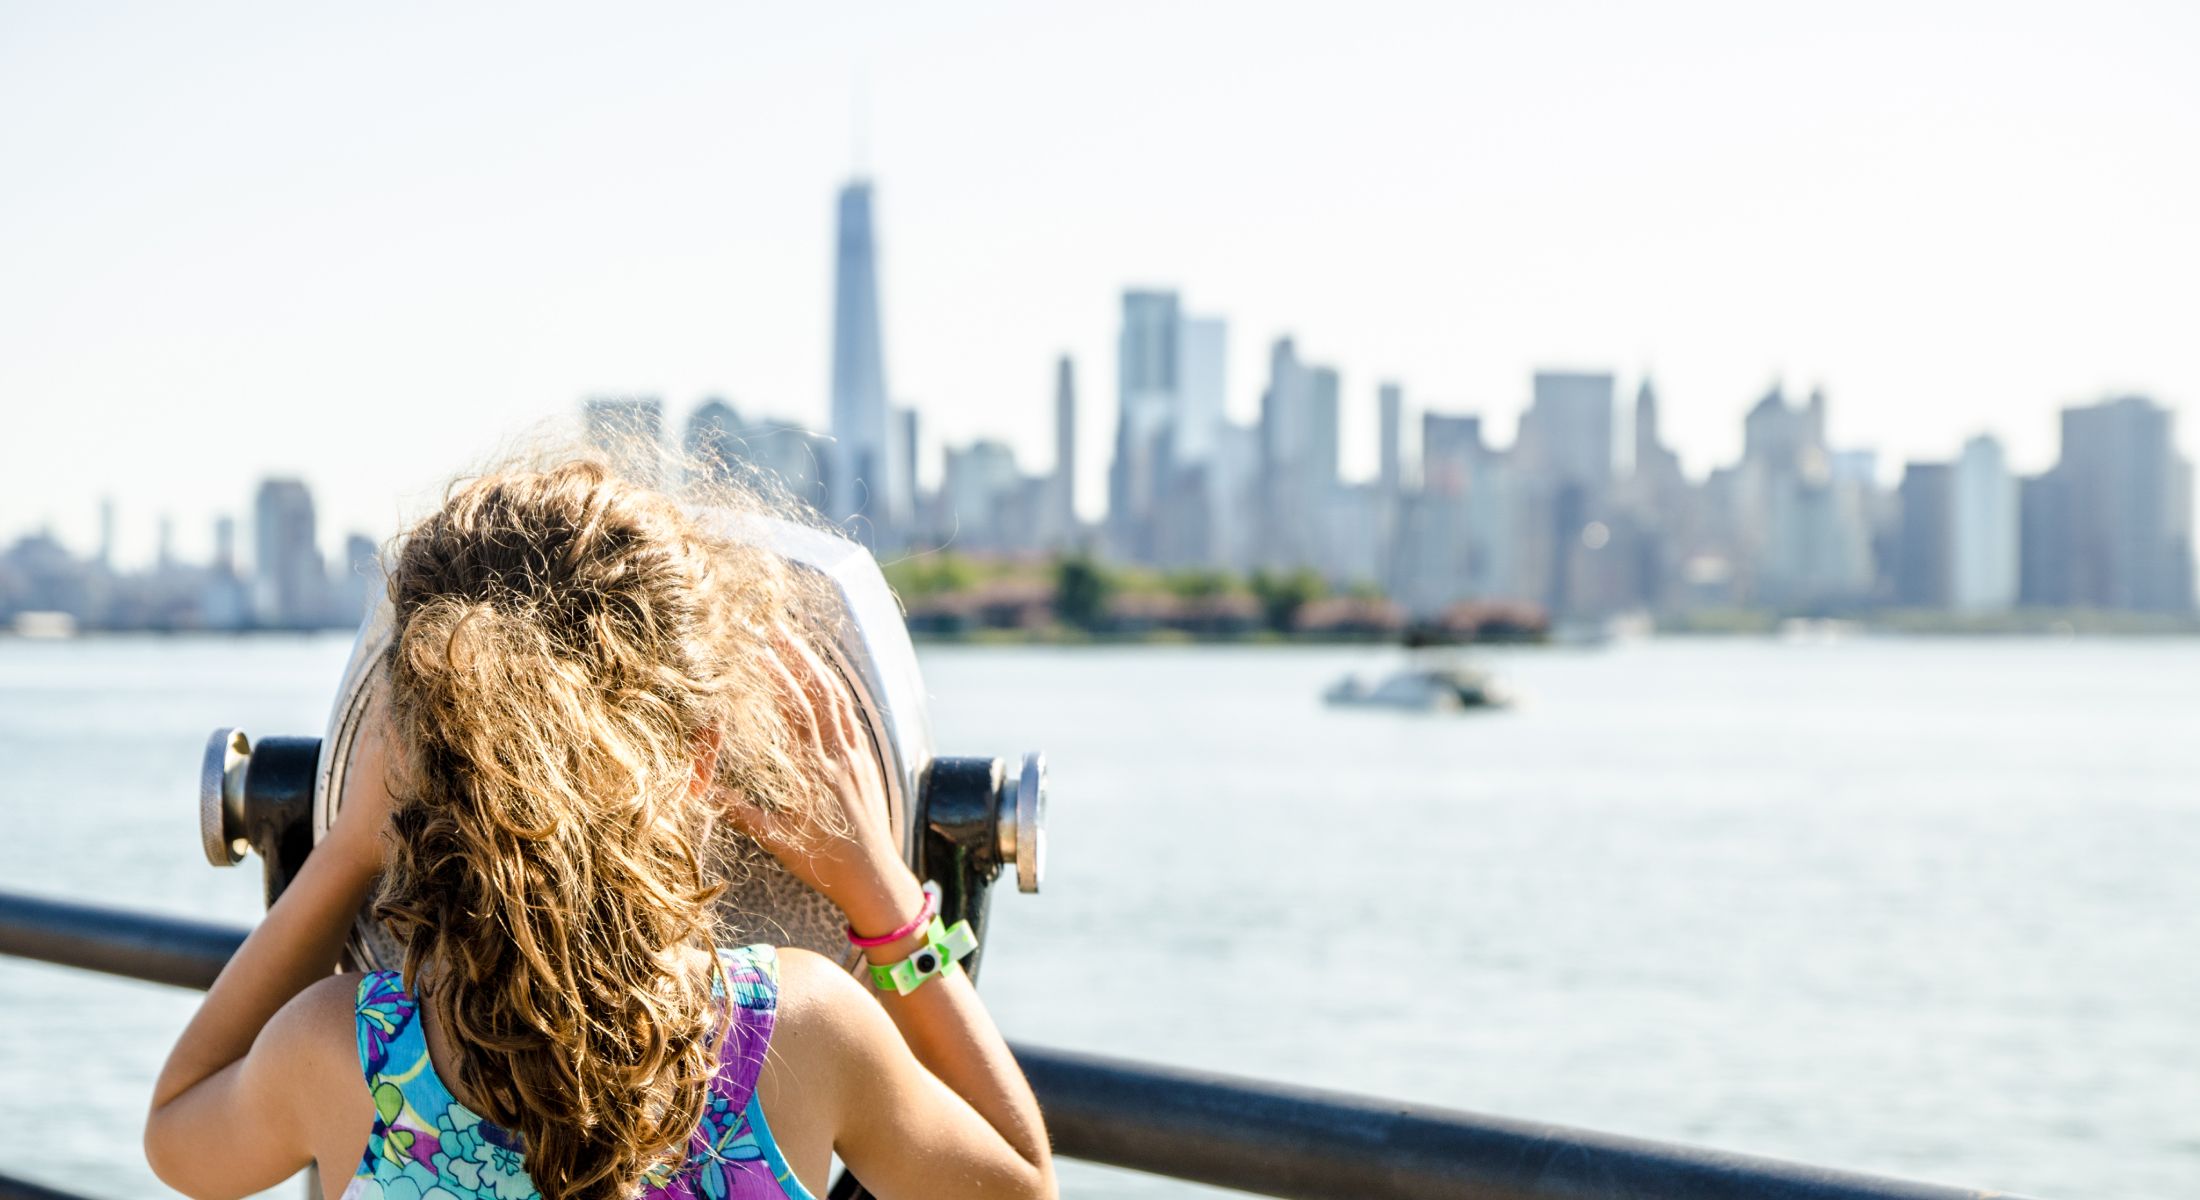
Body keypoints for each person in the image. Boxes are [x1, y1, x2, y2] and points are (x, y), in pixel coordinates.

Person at [144, 460, 1056, 1200]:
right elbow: (1021, 1192)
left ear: (414, 760)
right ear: (703, 758)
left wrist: (341, 851)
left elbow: (179, 1139)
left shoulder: (341, 1051)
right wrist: (881, 895)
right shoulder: (806, 1032)